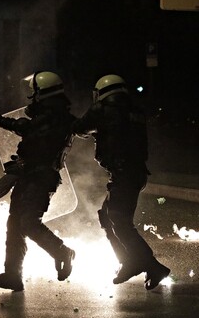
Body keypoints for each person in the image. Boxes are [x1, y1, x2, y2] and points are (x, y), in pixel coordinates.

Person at [72, 74, 170, 290]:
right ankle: (129, 261)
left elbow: (80, 128)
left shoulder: (104, 109)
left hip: (124, 173)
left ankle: (151, 265)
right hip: (134, 173)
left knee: (118, 219)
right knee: (107, 216)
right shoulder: (133, 110)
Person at [0, 71, 76, 291]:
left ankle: (62, 251)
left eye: (34, 92)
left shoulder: (56, 118)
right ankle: (12, 275)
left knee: (28, 222)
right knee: (15, 224)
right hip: (28, 174)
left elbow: (27, 128)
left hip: (41, 177)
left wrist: (2, 121)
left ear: (42, 93)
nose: (32, 97)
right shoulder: (49, 115)